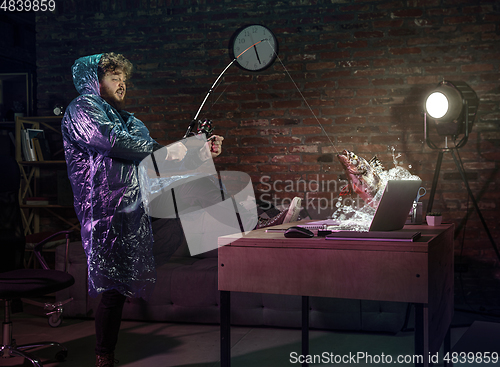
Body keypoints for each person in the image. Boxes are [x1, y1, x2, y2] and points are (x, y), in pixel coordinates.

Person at [61, 52, 223, 367]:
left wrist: (199, 153)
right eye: (113, 77)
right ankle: (103, 354)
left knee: (190, 205)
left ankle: (255, 225)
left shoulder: (131, 121)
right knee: (114, 290)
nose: (122, 84)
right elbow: (111, 141)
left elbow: (158, 166)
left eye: (124, 78)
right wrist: (174, 150)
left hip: (140, 210)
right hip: (108, 216)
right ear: (94, 80)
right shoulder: (81, 109)